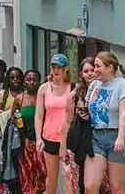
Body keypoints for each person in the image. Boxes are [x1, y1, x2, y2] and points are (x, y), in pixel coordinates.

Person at [84, 52, 125, 193]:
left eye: (98, 66)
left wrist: (120, 137)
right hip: (96, 137)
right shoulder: (95, 85)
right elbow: (88, 107)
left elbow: (123, 114)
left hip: (115, 136)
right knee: (90, 185)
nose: (94, 70)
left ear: (109, 67)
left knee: (116, 187)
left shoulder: (123, 85)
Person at [64, 58, 111, 193]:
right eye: (86, 71)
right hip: (79, 143)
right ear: (81, 74)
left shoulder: (105, 90)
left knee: (102, 182)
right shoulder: (75, 94)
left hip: (99, 141)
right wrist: (64, 148)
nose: (90, 74)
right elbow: (68, 122)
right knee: (80, 182)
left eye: (92, 70)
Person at [36, 54, 74, 193]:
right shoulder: (44, 89)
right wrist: (39, 137)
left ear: (66, 69)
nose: (56, 71)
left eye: (59, 67)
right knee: (51, 177)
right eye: (53, 67)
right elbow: (39, 115)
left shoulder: (73, 88)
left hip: (68, 138)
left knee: (68, 175)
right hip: (50, 136)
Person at [0, 66, 25, 194]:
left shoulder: (26, 93)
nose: (15, 80)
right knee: (8, 160)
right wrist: (7, 115)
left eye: (18, 77)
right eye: (12, 78)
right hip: (8, 134)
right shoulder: (3, 94)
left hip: (23, 133)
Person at [17, 69, 47, 194]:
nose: (32, 82)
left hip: (42, 140)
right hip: (25, 141)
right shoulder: (19, 99)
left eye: (34, 80)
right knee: (27, 172)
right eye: (28, 80)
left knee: (42, 171)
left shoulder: (45, 98)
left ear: (39, 82)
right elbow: (15, 119)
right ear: (24, 81)